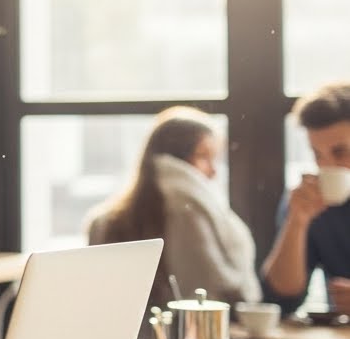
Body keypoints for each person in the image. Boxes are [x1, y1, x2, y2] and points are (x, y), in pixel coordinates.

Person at [83, 106, 261, 310]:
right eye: (203, 157)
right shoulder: (188, 211)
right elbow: (211, 287)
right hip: (189, 334)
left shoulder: (104, 220)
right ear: (176, 158)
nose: (213, 171)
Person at [263, 81, 350, 314]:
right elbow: (282, 298)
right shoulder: (310, 201)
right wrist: (297, 222)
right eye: (317, 154)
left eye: (340, 152)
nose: (326, 165)